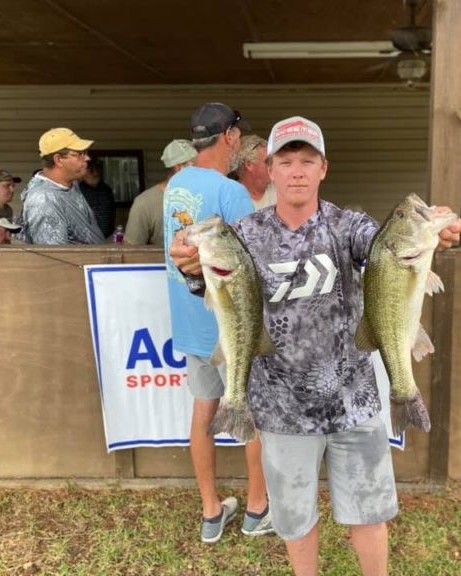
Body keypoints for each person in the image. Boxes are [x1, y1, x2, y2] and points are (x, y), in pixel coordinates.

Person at [171, 116, 461, 575]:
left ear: (324, 168)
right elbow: (213, 284)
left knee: (369, 515)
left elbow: (388, 249)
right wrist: (191, 266)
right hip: (281, 409)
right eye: (286, 161)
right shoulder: (244, 234)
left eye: (307, 160)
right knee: (294, 520)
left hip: (356, 402)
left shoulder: (350, 226)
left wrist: (440, 230)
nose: (297, 171)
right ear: (268, 169)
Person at [163, 103, 272, 543]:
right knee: (252, 415)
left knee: (203, 411)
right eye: (237, 135)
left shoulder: (177, 184)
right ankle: (257, 508)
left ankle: (211, 513)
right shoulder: (229, 191)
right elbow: (256, 259)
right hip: (230, 327)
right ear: (229, 136)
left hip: (191, 322)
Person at [18, 128, 105, 245]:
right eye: (80, 154)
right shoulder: (43, 200)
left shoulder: (70, 184)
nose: (87, 158)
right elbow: (56, 256)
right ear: (58, 160)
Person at [124, 139, 197, 246]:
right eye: (196, 165)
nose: (203, 170)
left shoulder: (205, 196)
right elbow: (132, 251)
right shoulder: (144, 203)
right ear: (179, 167)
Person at [231, 135, 276, 209]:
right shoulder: (231, 198)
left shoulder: (280, 190)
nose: (274, 165)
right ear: (249, 164)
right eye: (268, 161)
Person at [79, 159, 115, 238]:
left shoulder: (106, 190)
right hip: (86, 238)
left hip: (107, 237)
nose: (95, 173)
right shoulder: (78, 191)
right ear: (84, 173)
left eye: (97, 170)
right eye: (91, 171)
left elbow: (112, 212)